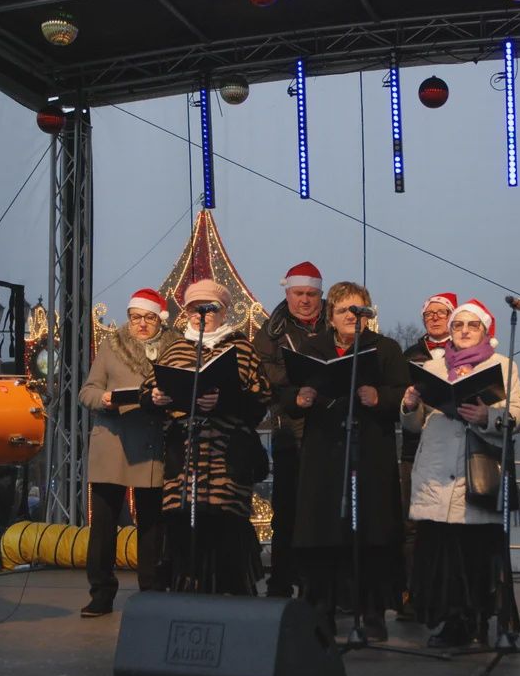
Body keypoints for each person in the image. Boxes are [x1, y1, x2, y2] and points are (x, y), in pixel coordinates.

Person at [401, 299, 520, 647]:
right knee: (439, 553)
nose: (465, 331)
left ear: (485, 331)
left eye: (473, 325)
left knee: (474, 554)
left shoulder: (503, 366)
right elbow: (413, 425)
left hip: (477, 469)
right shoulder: (433, 367)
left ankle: (475, 619)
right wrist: (409, 406)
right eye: (458, 325)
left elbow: (518, 413)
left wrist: (488, 416)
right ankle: (449, 620)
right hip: (436, 471)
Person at [288, 281, 408, 640]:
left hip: (369, 451)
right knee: (323, 533)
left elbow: (403, 393)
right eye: (343, 310)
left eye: (358, 310)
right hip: (324, 453)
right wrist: (299, 398)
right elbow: (287, 394)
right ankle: (320, 612)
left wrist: (380, 397)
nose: (351, 317)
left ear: (368, 313)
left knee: (371, 533)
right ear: (331, 316)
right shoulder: (313, 349)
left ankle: (372, 613)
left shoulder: (384, 348)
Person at [151, 279, 271, 595]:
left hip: (226, 458)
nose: (200, 314)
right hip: (184, 456)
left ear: (223, 311)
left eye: (209, 308)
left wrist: (224, 400)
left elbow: (261, 399)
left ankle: (229, 598)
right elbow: (148, 390)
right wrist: (155, 397)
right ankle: (186, 593)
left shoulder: (242, 349)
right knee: (182, 527)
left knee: (225, 528)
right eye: (193, 308)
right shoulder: (174, 349)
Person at [77, 289, 177, 617]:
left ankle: (151, 589)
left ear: (160, 319)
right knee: (104, 524)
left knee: (152, 524)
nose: (141, 324)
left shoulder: (175, 348)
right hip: (113, 441)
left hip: (152, 442)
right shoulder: (112, 345)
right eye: (136, 317)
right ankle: (101, 592)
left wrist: (168, 400)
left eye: (149, 318)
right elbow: (87, 391)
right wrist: (105, 399)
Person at [252, 262, 327, 597]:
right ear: (288, 293)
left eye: (311, 294)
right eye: (299, 293)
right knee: (286, 508)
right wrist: (295, 380)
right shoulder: (272, 330)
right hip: (287, 428)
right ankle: (281, 579)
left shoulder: (332, 325)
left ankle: (320, 581)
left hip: (325, 428)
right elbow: (262, 370)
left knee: (322, 508)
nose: (305, 300)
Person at [397, 292, 458, 621]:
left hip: (455, 450)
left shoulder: (465, 351)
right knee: (412, 526)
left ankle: (450, 594)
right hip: (415, 450)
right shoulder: (410, 356)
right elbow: (401, 402)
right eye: (429, 314)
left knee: (451, 525)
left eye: (441, 313)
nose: (434, 318)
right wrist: (407, 402)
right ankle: (412, 593)